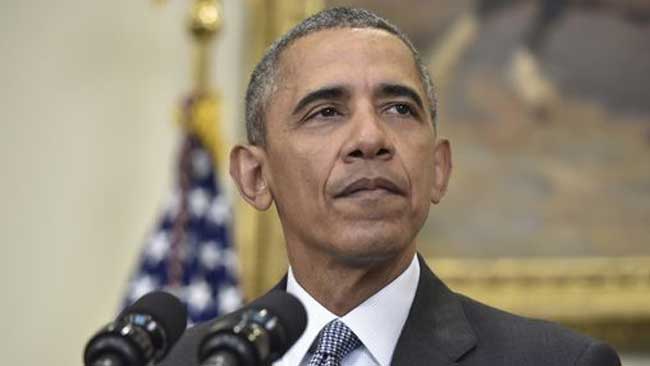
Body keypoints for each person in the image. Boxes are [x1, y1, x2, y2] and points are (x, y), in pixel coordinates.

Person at [160, 7, 620, 366]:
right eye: (326, 112)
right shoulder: (184, 363)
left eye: (399, 109)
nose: (370, 139)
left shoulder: (557, 365)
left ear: (439, 169)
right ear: (255, 177)